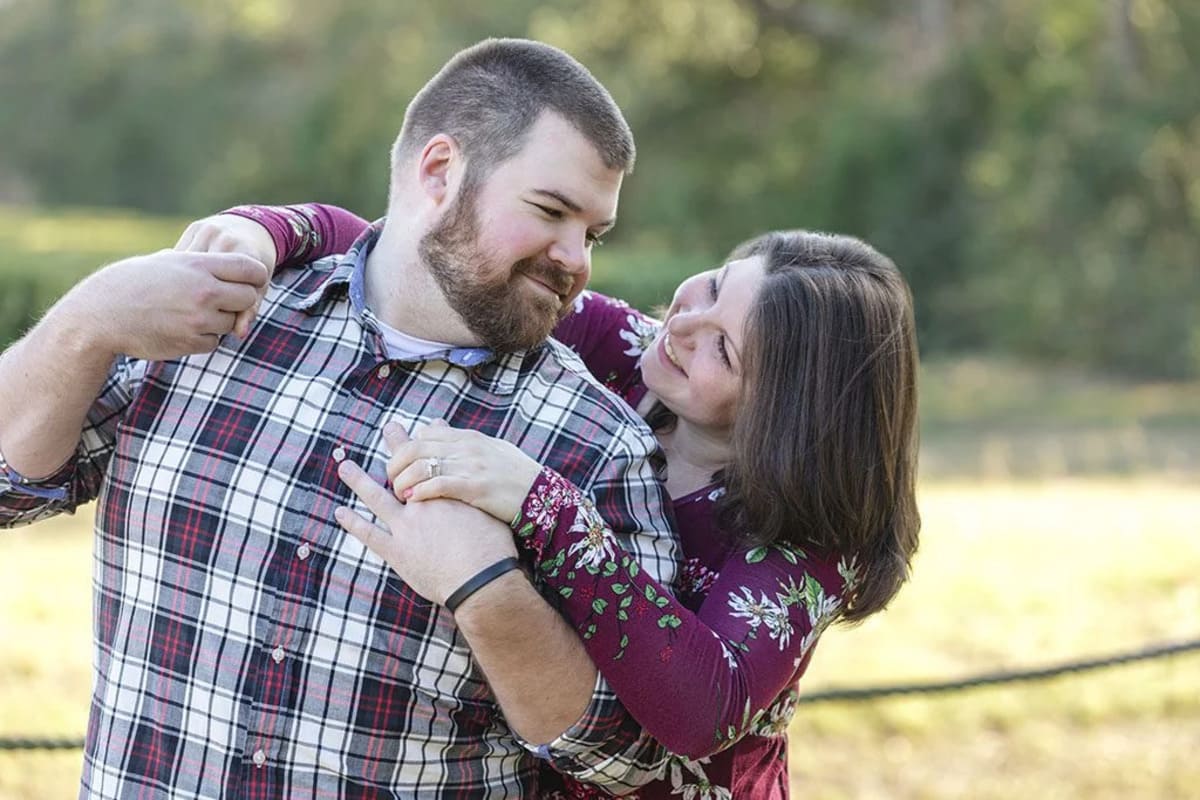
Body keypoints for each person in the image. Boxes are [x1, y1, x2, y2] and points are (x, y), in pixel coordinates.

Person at [0, 39, 683, 798]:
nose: (575, 260)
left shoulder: (595, 446)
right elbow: (8, 489)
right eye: (551, 211)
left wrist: (489, 591)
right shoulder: (212, 318)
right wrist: (84, 323)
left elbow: (628, 764)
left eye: (592, 233)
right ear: (439, 170)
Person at [186, 203, 922, 798]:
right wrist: (275, 228)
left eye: (725, 349)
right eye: (714, 285)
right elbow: (424, 259)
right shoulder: (637, 352)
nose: (685, 325)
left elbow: (705, 708)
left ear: (788, 412)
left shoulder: (815, 536)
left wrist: (548, 507)